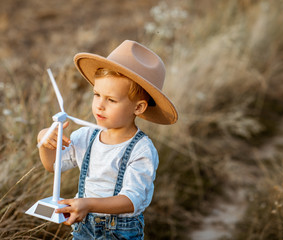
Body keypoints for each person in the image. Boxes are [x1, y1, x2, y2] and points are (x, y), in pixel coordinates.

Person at [37, 40, 178, 239]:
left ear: (138, 108)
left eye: (111, 100)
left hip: (120, 231)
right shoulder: (85, 136)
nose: (100, 106)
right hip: (83, 227)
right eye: (97, 94)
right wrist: (44, 141)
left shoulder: (141, 149)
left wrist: (88, 204)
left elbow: (131, 200)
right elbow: (53, 165)